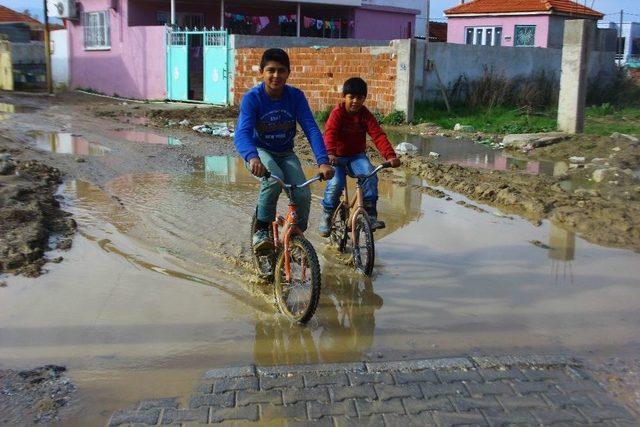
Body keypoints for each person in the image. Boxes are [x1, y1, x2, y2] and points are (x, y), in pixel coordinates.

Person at [234, 48, 334, 252]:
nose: (276, 75)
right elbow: (242, 133)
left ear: (288, 72)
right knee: (273, 179)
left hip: (286, 153)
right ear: (261, 72)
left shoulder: (295, 96)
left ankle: (296, 235)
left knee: (303, 192)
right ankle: (261, 229)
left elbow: (311, 129)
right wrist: (252, 158)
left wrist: (323, 161)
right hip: (260, 152)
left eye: (281, 70)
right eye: (271, 70)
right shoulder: (252, 98)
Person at [318, 77, 401, 237]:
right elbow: (330, 133)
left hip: (356, 156)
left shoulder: (365, 115)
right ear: (344, 96)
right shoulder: (337, 113)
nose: (355, 101)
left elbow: (378, 135)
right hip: (336, 158)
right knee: (336, 184)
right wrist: (330, 153)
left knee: (369, 173)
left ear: (364, 98)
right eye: (351, 97)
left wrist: (390, 156)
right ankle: (327, 214)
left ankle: (370, 214)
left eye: (359, 98)